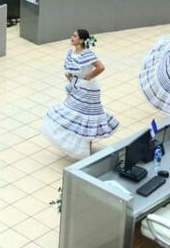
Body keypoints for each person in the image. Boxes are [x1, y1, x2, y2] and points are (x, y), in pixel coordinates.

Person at [42, 29, 118, 159]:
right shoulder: (71, 53)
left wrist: (88, 78)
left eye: (75, 36)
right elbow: (71, 71)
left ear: (82, 40)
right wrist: (71, 78)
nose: (72, 38)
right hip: (77, 87)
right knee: (74, 113)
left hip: (88, 90)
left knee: (86, 116)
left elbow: (100, 67)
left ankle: (85, 146)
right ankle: (78, 145)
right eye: (72, 35)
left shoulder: (87, 54)